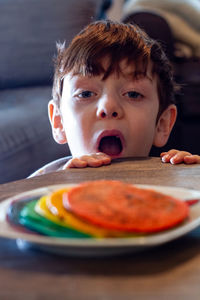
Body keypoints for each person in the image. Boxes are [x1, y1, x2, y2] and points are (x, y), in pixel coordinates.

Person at [30, 20, 200, 177]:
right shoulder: (43, 184)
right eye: (85, 94)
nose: (108, 107)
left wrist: (191, 180)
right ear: (59, 122)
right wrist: (63, 189)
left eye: (133, 94)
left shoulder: (171, 178)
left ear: (162, 125)